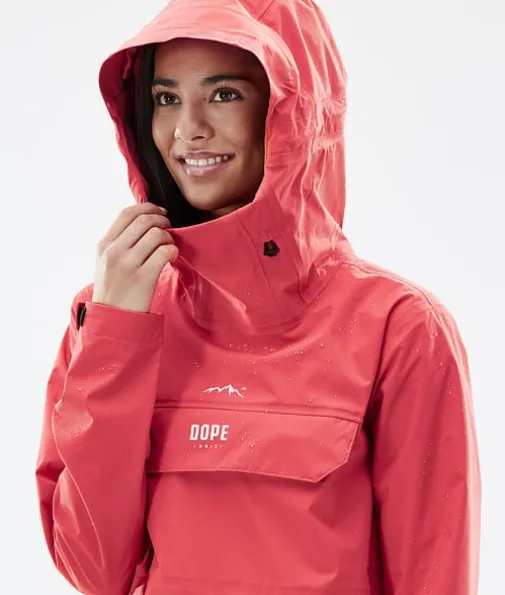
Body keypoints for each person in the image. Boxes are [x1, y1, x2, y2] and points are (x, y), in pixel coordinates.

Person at [35, 0, 481, 593]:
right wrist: (117, 334)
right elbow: (93, 570)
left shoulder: (398, 327)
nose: (188, 128)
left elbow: (433, 574)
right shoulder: (111, 315)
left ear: (293, 114)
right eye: (166, 98)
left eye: (224, 94)